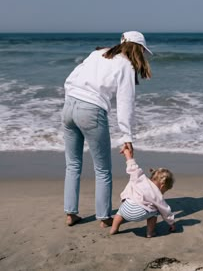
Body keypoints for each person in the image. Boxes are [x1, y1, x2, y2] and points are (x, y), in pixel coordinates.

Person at [62, 31, 152, 227]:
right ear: (138, 49)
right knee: (103, 169)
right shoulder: (127, 66)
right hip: (91, 111)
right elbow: (125, 105)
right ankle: (104, 217)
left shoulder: (98, 53)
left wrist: (73, 99)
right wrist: (127, 136)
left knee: (73, 164)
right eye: (144, 51)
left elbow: (71, 78)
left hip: (69, 106)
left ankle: (71, 214)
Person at [110, 148, 176, 237]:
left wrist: (127, 154)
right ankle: (150, 232)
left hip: (125, 209)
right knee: (155, 213)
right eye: (165, 190)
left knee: (119, 213)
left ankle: (114, 229)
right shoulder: (158, 195)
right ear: (162, 186)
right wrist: (171, 223)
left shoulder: (140, 178)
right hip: (139, 214)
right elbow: (165, 210)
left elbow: (132, 166)